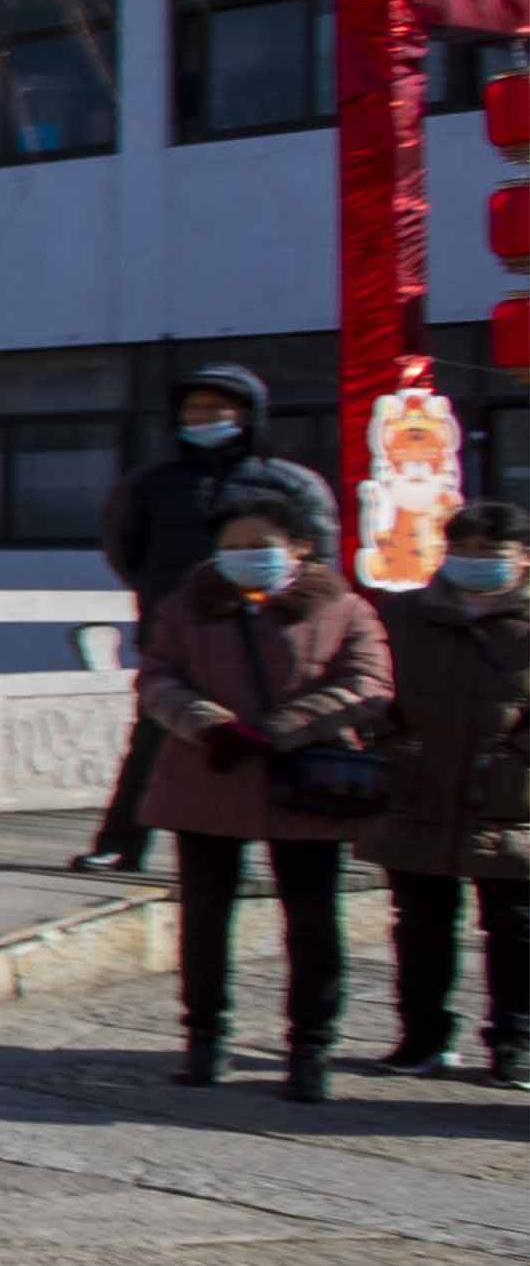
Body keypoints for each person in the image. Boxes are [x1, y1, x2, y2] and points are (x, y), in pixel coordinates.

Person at [134, 488, 389, 1100]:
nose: (246, 555)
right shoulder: (186, 606)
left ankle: (310, 1047)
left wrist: (281, 730)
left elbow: (369, 681)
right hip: (206, 773)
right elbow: (155, 677)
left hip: (305, 781)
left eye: (261, 545)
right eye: (233, 546)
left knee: (311, 919)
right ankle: (204, 1039)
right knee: (204, 918)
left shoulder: (342, 607)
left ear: (298, 547)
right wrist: (208, 724)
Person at [88, 366, 341, 871]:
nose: (202, 418)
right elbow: (124, 550)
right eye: (193, 409)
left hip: (273, 633)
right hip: (179, 629)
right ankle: (122, 841)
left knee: (275, 734)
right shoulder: (151, 484)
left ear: (246, 415)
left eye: (215, 409)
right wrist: (166, 600)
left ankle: (287, 845)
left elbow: (320, 557)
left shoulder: (291, 483)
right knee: (157, 738)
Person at [371, 498, 530, 1083]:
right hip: (420, 787)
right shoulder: (404, 615)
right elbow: (373, 684)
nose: (475, 561)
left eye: (492, 551)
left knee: (516, 926)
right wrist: (389, 742)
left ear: (524, 559)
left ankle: (516, 1040)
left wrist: (516, 755)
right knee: (418, 920)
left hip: (514, 799)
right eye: (463, 549)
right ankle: (422, 1036)